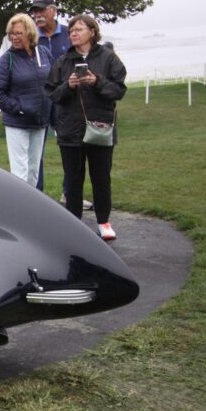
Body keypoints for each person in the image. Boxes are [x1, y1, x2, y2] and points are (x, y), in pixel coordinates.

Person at [45, 14, 127, 241]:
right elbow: (52, 93)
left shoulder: (108, 58)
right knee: (73, 179)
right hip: (70, 130)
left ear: (92, 32)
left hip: (100, 128)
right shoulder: (63, 61)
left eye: (79, 29)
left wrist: (96, 82)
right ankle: (74, 225)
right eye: (71, 30)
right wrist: (68, 85)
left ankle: (104, 221)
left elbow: (119, 90)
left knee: (101, 177)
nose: (73, 33)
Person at [29, 0, 87, 207]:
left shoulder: (69, 35)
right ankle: (38, 196)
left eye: (41, 10)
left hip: (66, 100)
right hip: (42, 100)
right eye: (34, 11)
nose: (37, 15)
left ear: (53, 10)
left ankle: (70, 193)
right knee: (36, 151)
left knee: (72, 149)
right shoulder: (32, 37)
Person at [0, 13, 52, 186]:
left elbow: (53, 81)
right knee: (20, 172)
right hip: (18, 123)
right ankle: (19, 209)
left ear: (30, 33)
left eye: (18, 33)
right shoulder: (6, 60)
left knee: (34, 171)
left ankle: (32, 210)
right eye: (11, 33)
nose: (13, 37)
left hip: (40, 122)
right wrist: (20, 108)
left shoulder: (44, 53)